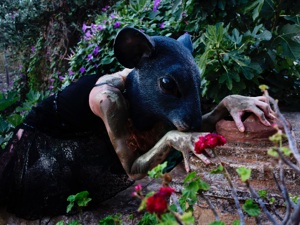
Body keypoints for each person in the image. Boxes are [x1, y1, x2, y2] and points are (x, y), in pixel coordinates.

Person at [0, 67, 274, 219]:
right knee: (35, 194)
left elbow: (187, 125)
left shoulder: (154, 82)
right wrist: (169, 140)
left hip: (85, 131)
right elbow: (133, 168)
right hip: (46, 137)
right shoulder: (111, 99)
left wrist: (226, 105)